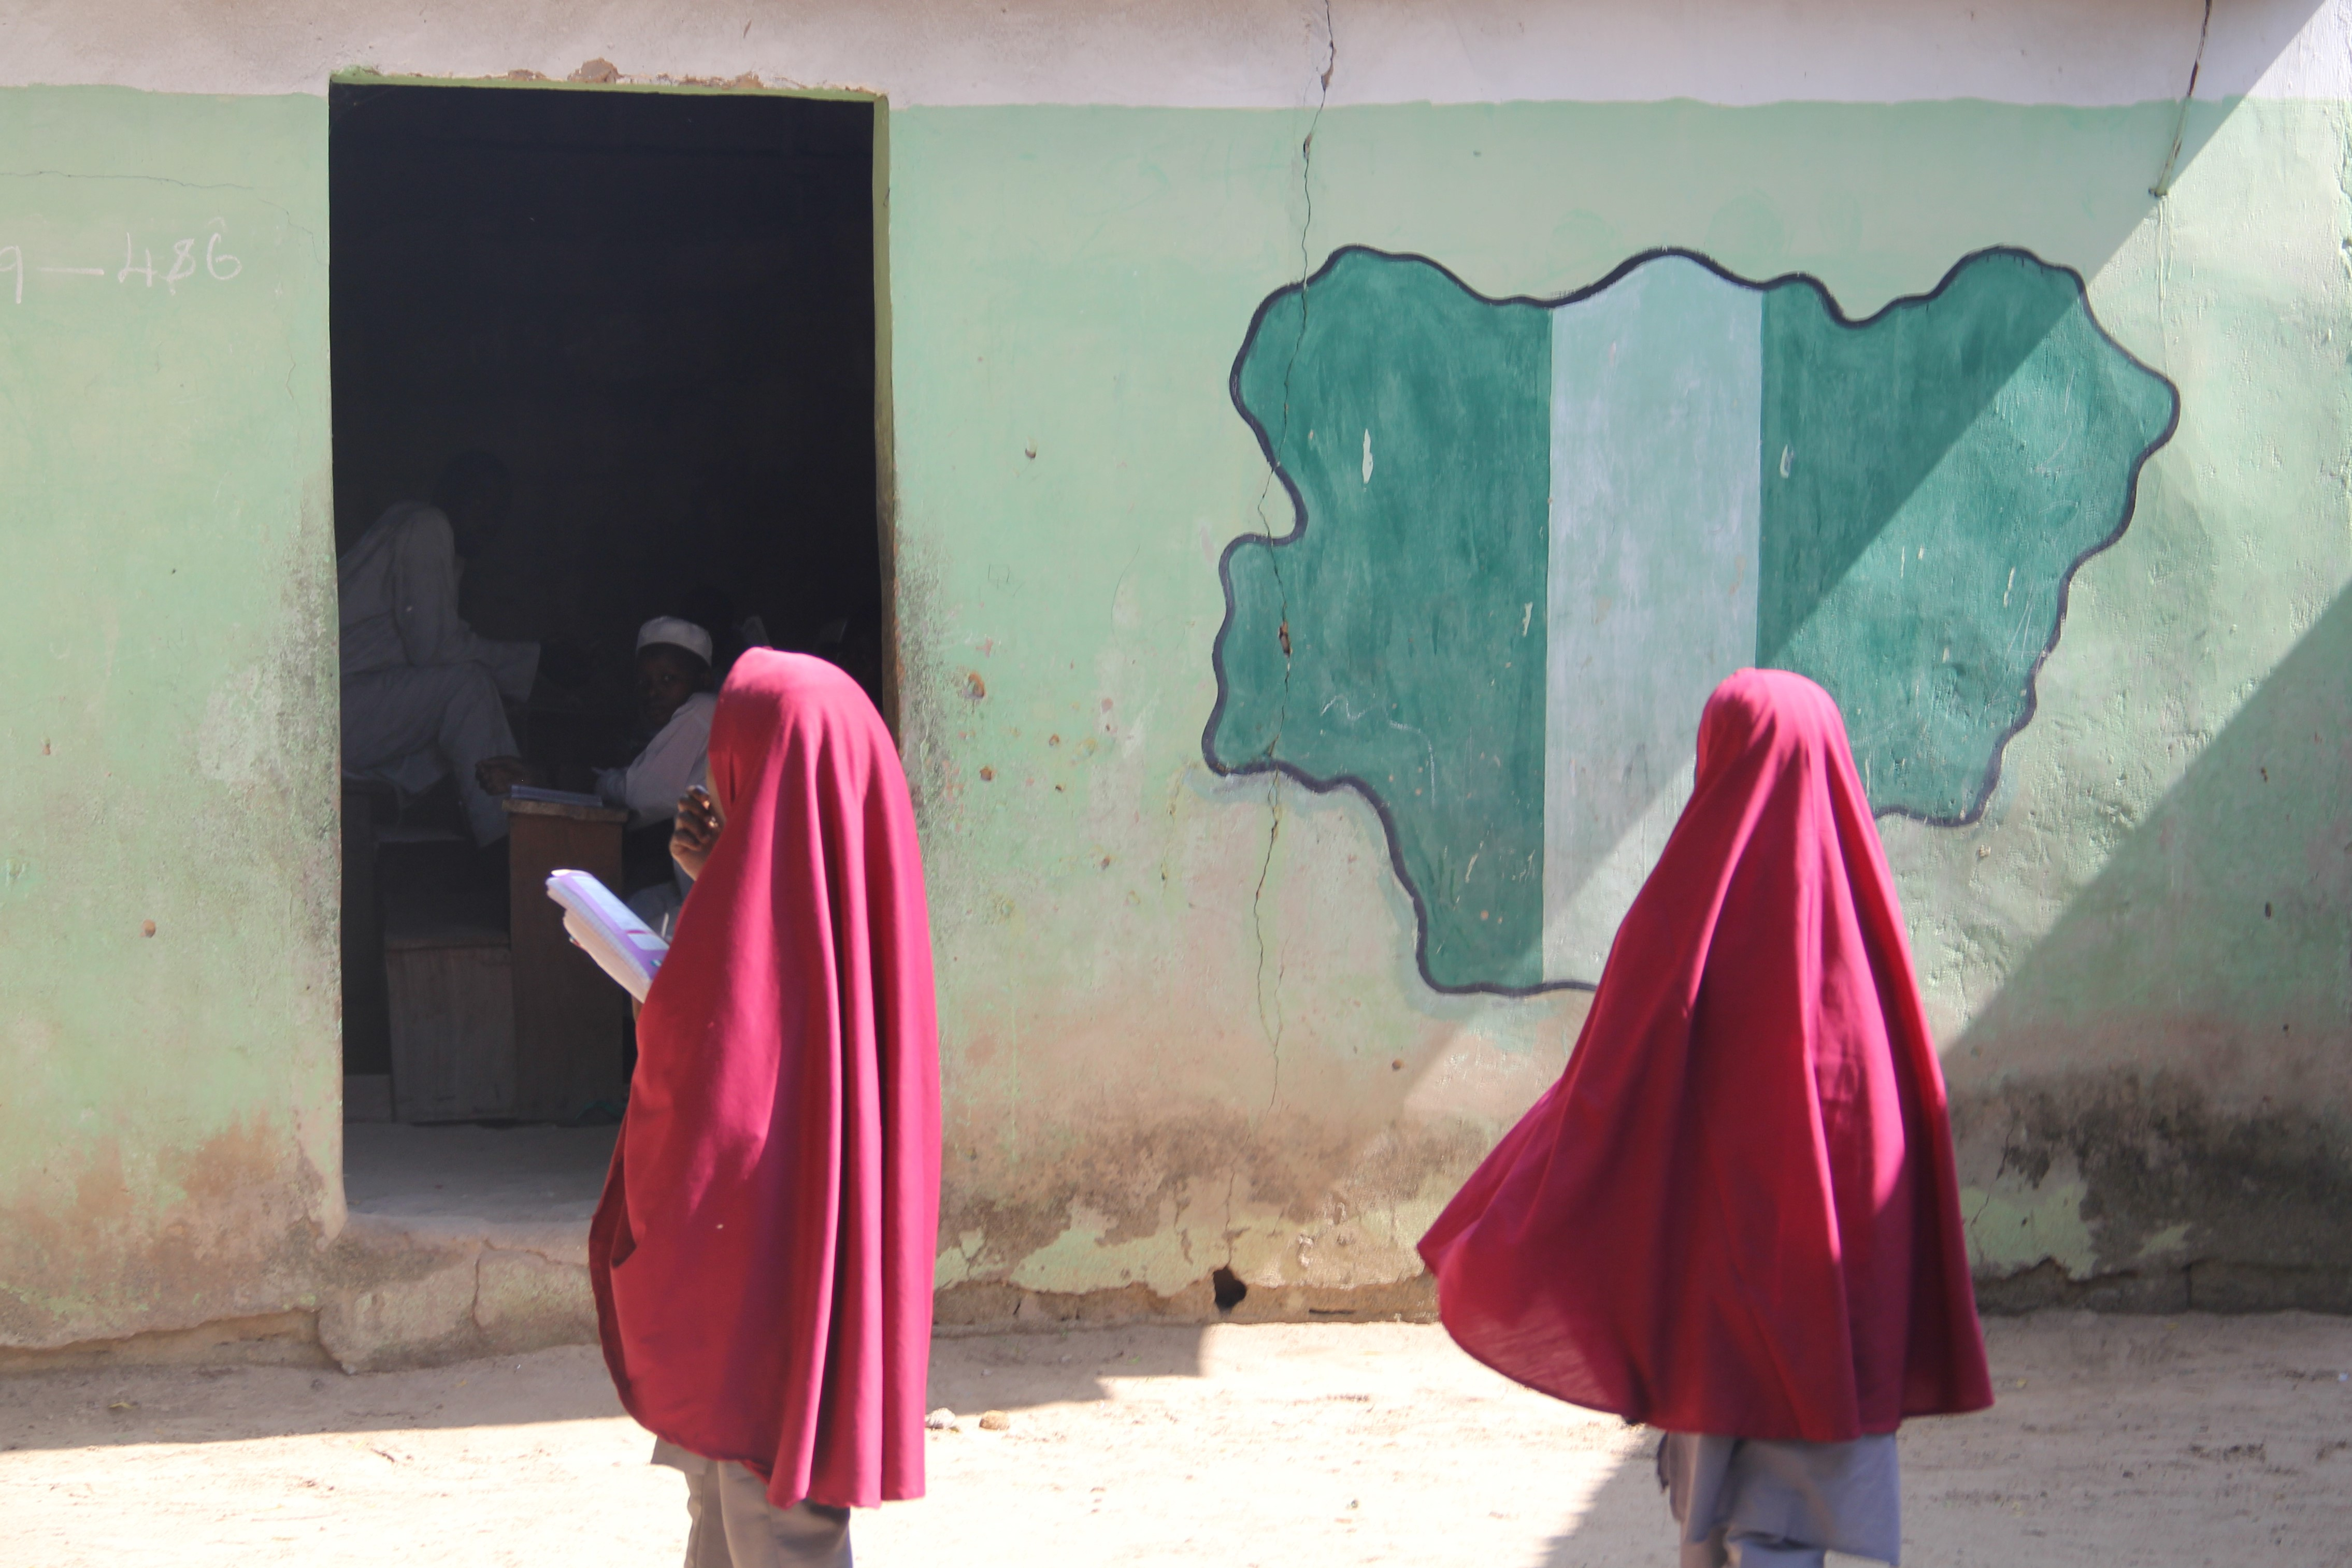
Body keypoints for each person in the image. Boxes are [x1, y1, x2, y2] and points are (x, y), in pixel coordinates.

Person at [1418, 669, 1992, 1568]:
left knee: (1727, 1506)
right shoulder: (1867, 931)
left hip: (1719, 1297)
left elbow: (1611, 1079)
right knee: (1792, 1504)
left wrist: (1511, 1204)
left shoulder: (1686, 910)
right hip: (1828, 1298)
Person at [590, 651, 941, 1568]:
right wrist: (711, 882)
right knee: (725, 1518)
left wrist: (668, 978)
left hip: (755, 1317)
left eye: (734, 756)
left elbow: (706, 1077)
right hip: (779, 1304)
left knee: (773, 1521)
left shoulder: (758, 922)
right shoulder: (843, 903)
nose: (716, 779)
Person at [338, 451, 538, 848]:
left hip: (346, 709)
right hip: (335, 711)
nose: (489, 518)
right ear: (447, 495)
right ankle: (510, 846)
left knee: (465, 707)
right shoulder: (428, 526)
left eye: (498, 510)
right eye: (480, 500)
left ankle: (489, 835)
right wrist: (537, 664)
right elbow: (436, 648)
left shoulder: (417, 531)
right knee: (468, 688)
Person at [596, 617, 720, 937]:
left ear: (703, 679)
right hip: (699, 886)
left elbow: (640, 794)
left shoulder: (702, 710)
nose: (653, 692)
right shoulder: (686, 722)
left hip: (720, 897)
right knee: (631, 911)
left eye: (669, 679)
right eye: (644, 683)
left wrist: (601, 781)